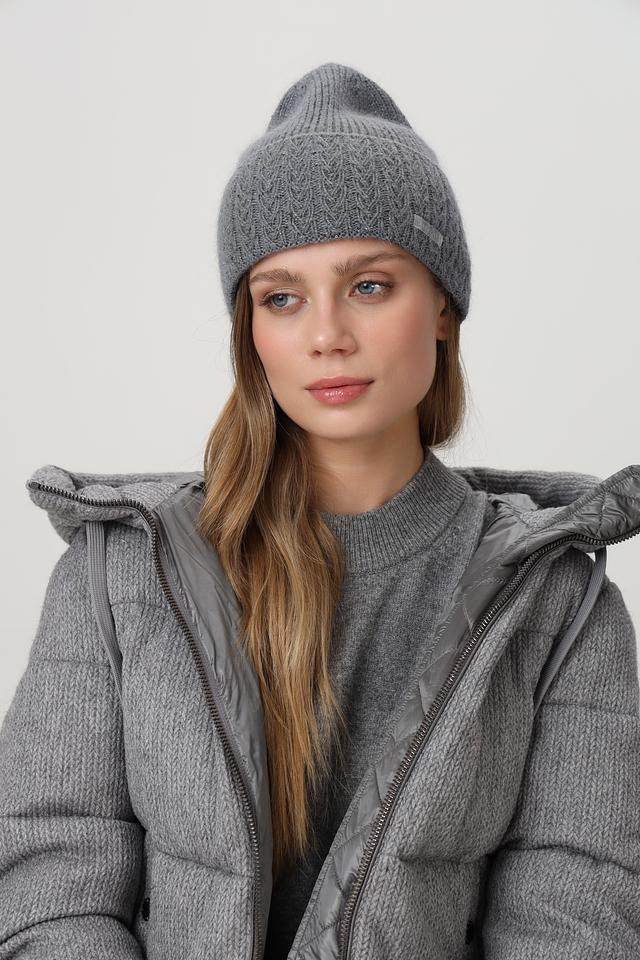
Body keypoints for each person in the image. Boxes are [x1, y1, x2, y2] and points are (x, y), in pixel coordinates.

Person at [1, 61, 639, 960]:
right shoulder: (118, 574)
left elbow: (575, 923)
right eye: (282, 297)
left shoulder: (561, 605)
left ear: (443, 305)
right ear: (251, 330)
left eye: (369, 285)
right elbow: (48, 887)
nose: (327, 335)